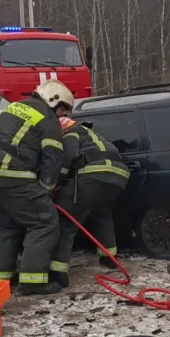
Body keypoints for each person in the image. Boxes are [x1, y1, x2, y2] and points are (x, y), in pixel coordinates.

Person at [0, 79, 73, 296]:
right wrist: (46, 188)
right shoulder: (47, 119)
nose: (61, 117)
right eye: (62, 111)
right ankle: (33, 282)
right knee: (44, 222)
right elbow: (53, 157)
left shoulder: (14, 107)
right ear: (53, 100)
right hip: (15, 177)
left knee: (7, 225)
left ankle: (0, 279)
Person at [49, 117, 130, 288]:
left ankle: (58, 272)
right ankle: (109, 257)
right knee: (101, 215)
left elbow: (68, 157)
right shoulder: (93, 134)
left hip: (92, 174)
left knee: (67, 221)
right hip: (118, 177)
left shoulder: (70, 133)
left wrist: (58, 182)